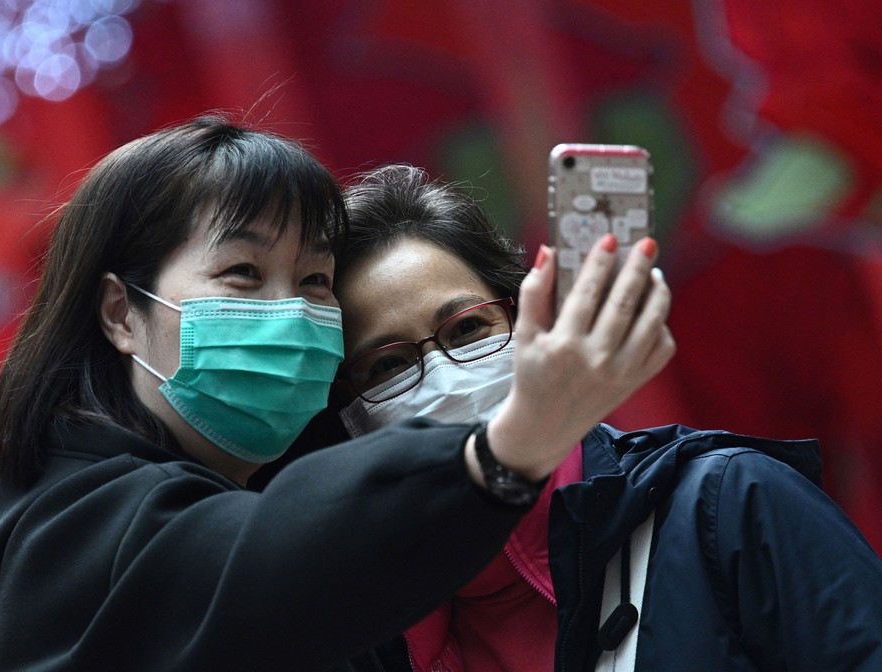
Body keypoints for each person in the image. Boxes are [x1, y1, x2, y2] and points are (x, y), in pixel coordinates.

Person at [0, 116, 672, 672]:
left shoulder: (702, 496)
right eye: (241, 274)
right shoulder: (71, 525)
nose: (291, 313)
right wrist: (501, 451)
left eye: (315, 280)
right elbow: (252, 561)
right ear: (119, 313)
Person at [331, 163, 882, 672]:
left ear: (530, 322)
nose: (444, 378)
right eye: (389, 364)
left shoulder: (731, 503)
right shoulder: (365, 643)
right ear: (348, 416)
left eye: (468, 329)